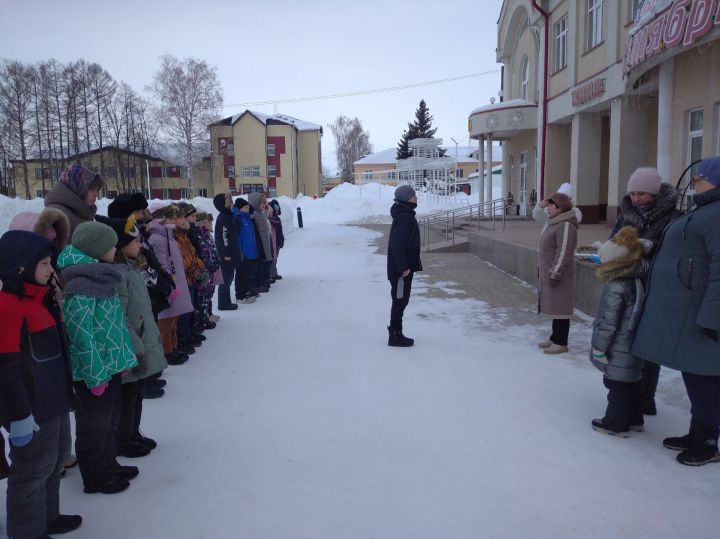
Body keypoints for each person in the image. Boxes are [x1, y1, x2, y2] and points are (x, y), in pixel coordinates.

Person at [632, 156, 720, 466]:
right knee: (696, 376)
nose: (694, 182)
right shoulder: (705, 210)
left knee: (705, 379)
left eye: (700, 178)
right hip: (688, 312)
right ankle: (699, 433)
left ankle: (707, 441)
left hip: (701, 316)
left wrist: (712, 318)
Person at [0, 230, 82, 538]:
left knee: (55, 460)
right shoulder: (7, 307)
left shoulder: (40, 301)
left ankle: (49, 516)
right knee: (31, 472)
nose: (51, 269)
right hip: (31, 410)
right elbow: (6, 368)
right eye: (45, 263)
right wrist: (19, 415)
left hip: (55, 401)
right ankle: (27, 531)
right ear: (21, 266)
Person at [57, 221, 139, 493]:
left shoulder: (102, 277)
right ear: (95, 249)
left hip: (111, 366)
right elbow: (81, 335)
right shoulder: (80, 286)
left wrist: (123, 359)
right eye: (110, 244)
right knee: (93, 426)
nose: (115, 248)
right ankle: (95, 477)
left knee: (110, 421)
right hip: (95, 373)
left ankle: (109, 464)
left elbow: (115, 323)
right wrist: (94, 375)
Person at [609, 167, 681, 416]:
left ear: (654, 192)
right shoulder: (626, 212)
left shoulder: (671, 216)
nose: (636, 198)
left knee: (650, 347)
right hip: (629, 284)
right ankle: (630, 398)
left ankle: (645, 398)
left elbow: (670, 251)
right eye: (632, 193)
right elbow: (613, 239)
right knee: (628, 343)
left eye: (641, 193)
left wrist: (643, 249)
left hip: (654, 285)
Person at [97, 214, 167, 458]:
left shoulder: (130, 267)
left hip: (139, 339)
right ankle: (123, 438)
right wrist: (136, 344)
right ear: (120, 245)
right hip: (130, 345)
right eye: (135, 241)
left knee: (136, 392)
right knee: (127, 395)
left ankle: (133, 432)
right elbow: (121, 314)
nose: (139, 245)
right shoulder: (118, 274)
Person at [589, 226, 647, 437]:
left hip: (617, 346)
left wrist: (599, 348)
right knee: (631, 383)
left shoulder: (616, 286)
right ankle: (635, 419)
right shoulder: (637, 278)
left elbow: (607, 322)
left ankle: (615, 423)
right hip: (633, 343)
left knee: (617, 385)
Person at [146, 204, 194, 362]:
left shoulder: (168, 235)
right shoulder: (157, 238)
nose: (173, 220)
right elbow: (162, 263)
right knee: (166, 320)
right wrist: (167, 284)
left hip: (176, 282)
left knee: (174, 318)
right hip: (169, 285)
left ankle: (173, 346)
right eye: (170, 217)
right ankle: (166, 351)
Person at [537, 192, 579, 354]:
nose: (548, 209)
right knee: (556, 306)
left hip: (560, 274)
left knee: (561, 307)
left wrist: (555, 271)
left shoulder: (566, 225)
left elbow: (564, 251)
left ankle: (561, 342)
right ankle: (555, 338)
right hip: (552, 272)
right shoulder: (555, 223)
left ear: (560, 208)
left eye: (551, 206)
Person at [387, 185, 422, 347]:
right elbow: (397, 245)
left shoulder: (404, 214)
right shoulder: (405, 217)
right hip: (401, 271)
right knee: (400, 301)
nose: (416, 198)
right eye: (413, 195)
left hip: (402, 269)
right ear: (406, 199)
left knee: (401, 300)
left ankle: (397, 333)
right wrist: (403, 267)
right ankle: (395, 336)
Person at [44, 163, 104, 233]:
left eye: (97, 190)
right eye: (92, 189)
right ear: (77, 186)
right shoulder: (56, 216)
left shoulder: (80, 210)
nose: (96, 194)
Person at [213, 192, 242, 310]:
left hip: (231, 253)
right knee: (226, 279)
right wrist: (226, 254)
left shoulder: (228, 215)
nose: (231, 203)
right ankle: (223, 303)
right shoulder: (223, 218)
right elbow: (224, 238)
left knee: (229, 278)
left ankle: (226, 301)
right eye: (228, 201)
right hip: (226, 256)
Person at [232, 198, 258, 303]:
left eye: (248, 207)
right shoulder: (237, 219)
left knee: (247, 274)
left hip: (250, 251)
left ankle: (247, 292)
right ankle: (240, 296)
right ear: (239, 208)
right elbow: (237, 237)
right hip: (243, 252)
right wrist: (240, 251)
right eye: (245, 207)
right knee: (241, 274)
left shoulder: (247, 218)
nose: (248, 209)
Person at [247, 192, 274, 292]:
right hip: (260, 243)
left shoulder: (261, 213)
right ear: (255, 203)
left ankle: (264, 281)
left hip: (266, 241)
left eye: (265, 202)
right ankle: (258, 283)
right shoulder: (254, 215)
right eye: (262, 203)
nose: (264, 204)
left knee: (267, 262)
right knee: (261, 264)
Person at [268, 199, 285, 282]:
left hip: (277, 242)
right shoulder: (269, 220)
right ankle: (270, 275)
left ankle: (274, 273)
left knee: (275, 258)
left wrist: (282, 240)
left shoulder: (277, 219)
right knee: (271, 258)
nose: (277, 209)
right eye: (275, 208)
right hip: (272, 242)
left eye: (277, 207)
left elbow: (280, 231)